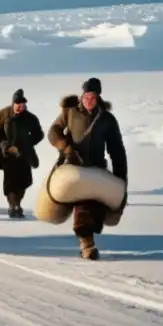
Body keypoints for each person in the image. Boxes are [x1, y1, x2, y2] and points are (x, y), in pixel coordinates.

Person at [47, 77, 128, 260]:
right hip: (73, 167)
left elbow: (116, 150)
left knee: (96, 208)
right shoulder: (69, 113)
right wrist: (66, 148)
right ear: (81, 96)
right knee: (84, 205)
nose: (89, 101)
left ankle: (87, 240)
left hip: (96, 169)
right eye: (86, 97)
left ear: (98, 97)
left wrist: (121, 177)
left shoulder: (107, 119)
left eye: (93, 97)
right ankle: (87, 245)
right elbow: (53, 132)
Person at [0, 89, 44, 219]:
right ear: (13, 103)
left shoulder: (30, 117)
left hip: (24, 153)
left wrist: (28, 142)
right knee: (10, 181)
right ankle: (13, 206)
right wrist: (4, 145)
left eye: (22, 104)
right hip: (7, 154)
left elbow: (38, 134)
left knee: (24, 180)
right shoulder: (3, 114)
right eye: (18, 104)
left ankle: (17, 203)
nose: (20, 107)